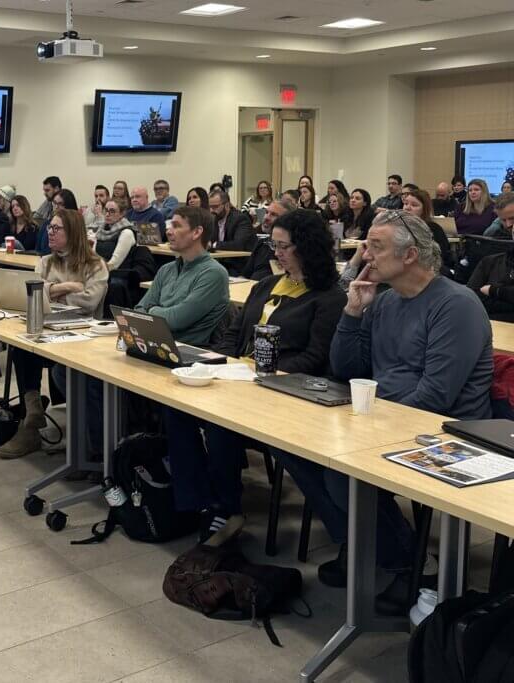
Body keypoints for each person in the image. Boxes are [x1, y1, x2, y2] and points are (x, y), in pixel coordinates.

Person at [280, 210, 492, 615]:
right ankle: (359, 542)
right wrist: (353, 311)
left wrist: (364, 430)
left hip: (446, 431)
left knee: (343, 475)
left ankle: (415, 566)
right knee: (294, 447)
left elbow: (436, 396)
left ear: (410, 254)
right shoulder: (386, 300)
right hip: (385, 417)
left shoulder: (456, 306)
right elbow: (347, 369)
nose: (364, 255)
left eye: (375, 247)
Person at [163, 209, 346, 544]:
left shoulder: (328, 298)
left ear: (306, 248)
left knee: (220, 420)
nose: (275, 253)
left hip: (284, 388)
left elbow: (316, 358)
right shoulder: (266, 285)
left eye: (283, 246)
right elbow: (234, 335)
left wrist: (262, 374)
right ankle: (196, 500)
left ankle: (226, 507)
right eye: (272, 245)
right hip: (242, 379)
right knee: (177, 406)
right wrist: (216, 364)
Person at [0, 209, 108, 459]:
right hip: (49, 329)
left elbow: (89, 302)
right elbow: (32, 292)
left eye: (57, 228)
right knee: (21, 345)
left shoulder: (95, 264)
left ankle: (86, 445)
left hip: (82, 337)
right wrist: (67, 286)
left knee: (52, 362)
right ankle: (32, 411)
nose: (50, 232)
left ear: (74, 233)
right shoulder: (46, 261)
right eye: (49, 228)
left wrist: (50, 291)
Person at [135, 205, 229, 346]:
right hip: (156, 345)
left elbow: (175, 320)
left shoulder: (214, 273)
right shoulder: (166, 269)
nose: (168, 231)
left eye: (176, 226)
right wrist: (152, 312)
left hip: (189, 354)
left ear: (196, 232)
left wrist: (152, 310)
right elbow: (138, 311)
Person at [468, 192, 514, 321]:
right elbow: (473, 299)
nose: (509, 225)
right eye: (503, 220)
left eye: (512, 218)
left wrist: (495, 291)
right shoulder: (489, 259)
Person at [240, 195, 297, 281]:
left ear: (287, 220)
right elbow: (245, 275)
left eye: (273, 215)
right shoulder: (262, 243)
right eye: (266, 212)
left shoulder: (291, 248)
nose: (266, 217)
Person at [404, 188, 455, 278]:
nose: (407, 208)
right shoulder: (397, 227)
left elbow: (440, 258)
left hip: (428, 271)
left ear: (424, 209)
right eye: (405, 203)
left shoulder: (434, 229)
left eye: (414, 205)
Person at [93, 200, 137, 270]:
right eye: (106, 210)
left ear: (122, 214)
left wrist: (95, 271)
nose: (107, 214)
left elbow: (114, 265)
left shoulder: (126, 233)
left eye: (112, 211)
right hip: (100, 271)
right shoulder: (101, 229)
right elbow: (93, 256)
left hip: (117, 275)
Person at [36, 189, 78, 256]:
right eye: (54, 203)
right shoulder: (46, 224)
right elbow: (38, 249)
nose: (56, 207)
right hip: (44, 261)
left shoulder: (75, 226)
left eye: (60, 204)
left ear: (68, 206)